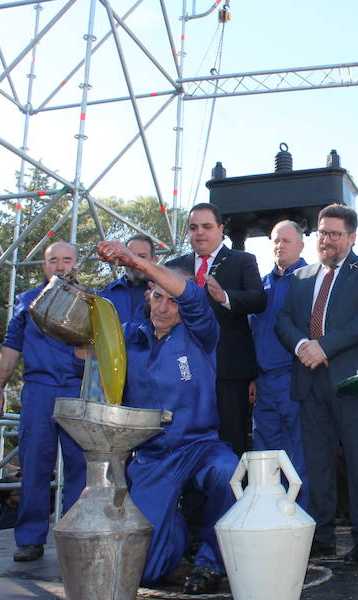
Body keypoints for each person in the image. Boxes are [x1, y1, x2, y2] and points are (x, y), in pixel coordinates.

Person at [96, 239, 239, 595]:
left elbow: (191, 295)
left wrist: (134, 260)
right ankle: (176, 537)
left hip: (200, 445)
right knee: (147, 570)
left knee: (228, 473)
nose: (164, 307)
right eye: (158, 297)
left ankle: (210, 563)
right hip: (152, 455)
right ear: (148, 295)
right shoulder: (129, 337)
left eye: (172, 300)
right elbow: (88, 344)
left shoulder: (201, 332)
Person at [275, 203, 358, 564]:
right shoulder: (301, 276)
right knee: (317, 462)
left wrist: (325, 346)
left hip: (352, 382)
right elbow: (284, 320)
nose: (327, 240)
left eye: (335, 234)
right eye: (322, 233)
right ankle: (321, 536)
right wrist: (302, 346)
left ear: (352, 237)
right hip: (309, 382)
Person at [0, 241, 87, 562]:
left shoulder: (92, 302)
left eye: (66, 260)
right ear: (44, 267)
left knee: (80, 467)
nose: (59, 266)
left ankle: (74, 535)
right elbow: (11, 345)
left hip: (77, 389)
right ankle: (30, 538)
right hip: (38, 388)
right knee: (34, 465)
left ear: (76, 264)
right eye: (52, 260)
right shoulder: (27, 302)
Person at [167, 203, 266, 456]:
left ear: (221, 230)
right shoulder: (174, 267)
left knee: (230, 442)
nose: (199, 232)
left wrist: (224, 297)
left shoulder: (242, 261)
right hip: (183, 371)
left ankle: (233, 496)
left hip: (228, 372)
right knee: (185, 444)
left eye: (207, 226)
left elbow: (258, 300)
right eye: (193, 227)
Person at [248, 220, 308, 503]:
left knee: (299, 457)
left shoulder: (312, 280)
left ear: (301, 244)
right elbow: (251, 331)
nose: (279, 246)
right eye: (275, 240)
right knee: (265, 458)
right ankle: (268, 518)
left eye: (286, 240)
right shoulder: (262, 285)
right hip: (264, 383)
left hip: (297, 378)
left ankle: (301, 524)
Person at [99, 234, 159, 324]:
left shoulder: (166, 294)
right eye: (129, 256)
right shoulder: (105, 292)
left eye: (142, 257)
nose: (133, 262)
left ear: (154, 260)